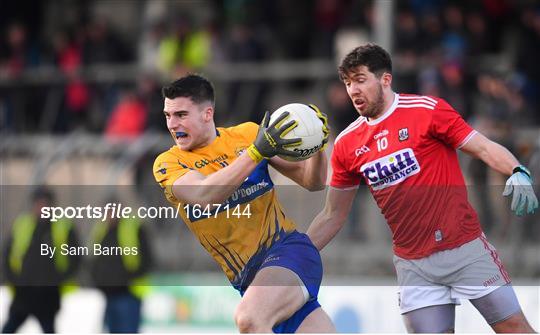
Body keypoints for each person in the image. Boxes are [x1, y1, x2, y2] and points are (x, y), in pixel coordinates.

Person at [307, 44, 538, 333]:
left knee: (514, 328)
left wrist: (516, 169)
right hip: (414, 265)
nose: (353, 90)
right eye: (348, 82)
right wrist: (298, 252)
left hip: (464, 248)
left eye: (361, 79)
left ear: (385, 80)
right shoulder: (347, 143)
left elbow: (482, 147)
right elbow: (332, 215)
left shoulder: (427, 111)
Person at [153, 74, 334, 333]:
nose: (172, 124)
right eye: (167, 115)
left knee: (249, 319)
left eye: (181, 114)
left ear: (207, 113)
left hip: (288, 251)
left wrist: (316, 146)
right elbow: (205, 195)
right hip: (249, 279)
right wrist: (255, 153)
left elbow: (312, 182)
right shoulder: (168, 163)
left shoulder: (247, 135)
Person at [2, 187, 81, 333]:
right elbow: (8, 254)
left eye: (46, 204)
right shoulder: (22, 224)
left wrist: (59, 277)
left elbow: (76, 257)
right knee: (9, 328)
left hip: (48, 294)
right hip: (23, 292)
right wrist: (14, 278)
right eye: (39, 203)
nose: (42, 207)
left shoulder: (62, 226)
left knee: (48, 329)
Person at [90, 209, 152, 333]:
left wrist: (129, 277)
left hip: (130, 293)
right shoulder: (101, 230)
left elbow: (147, 258)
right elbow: (94, 260)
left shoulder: (133, 227)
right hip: (109, 294)